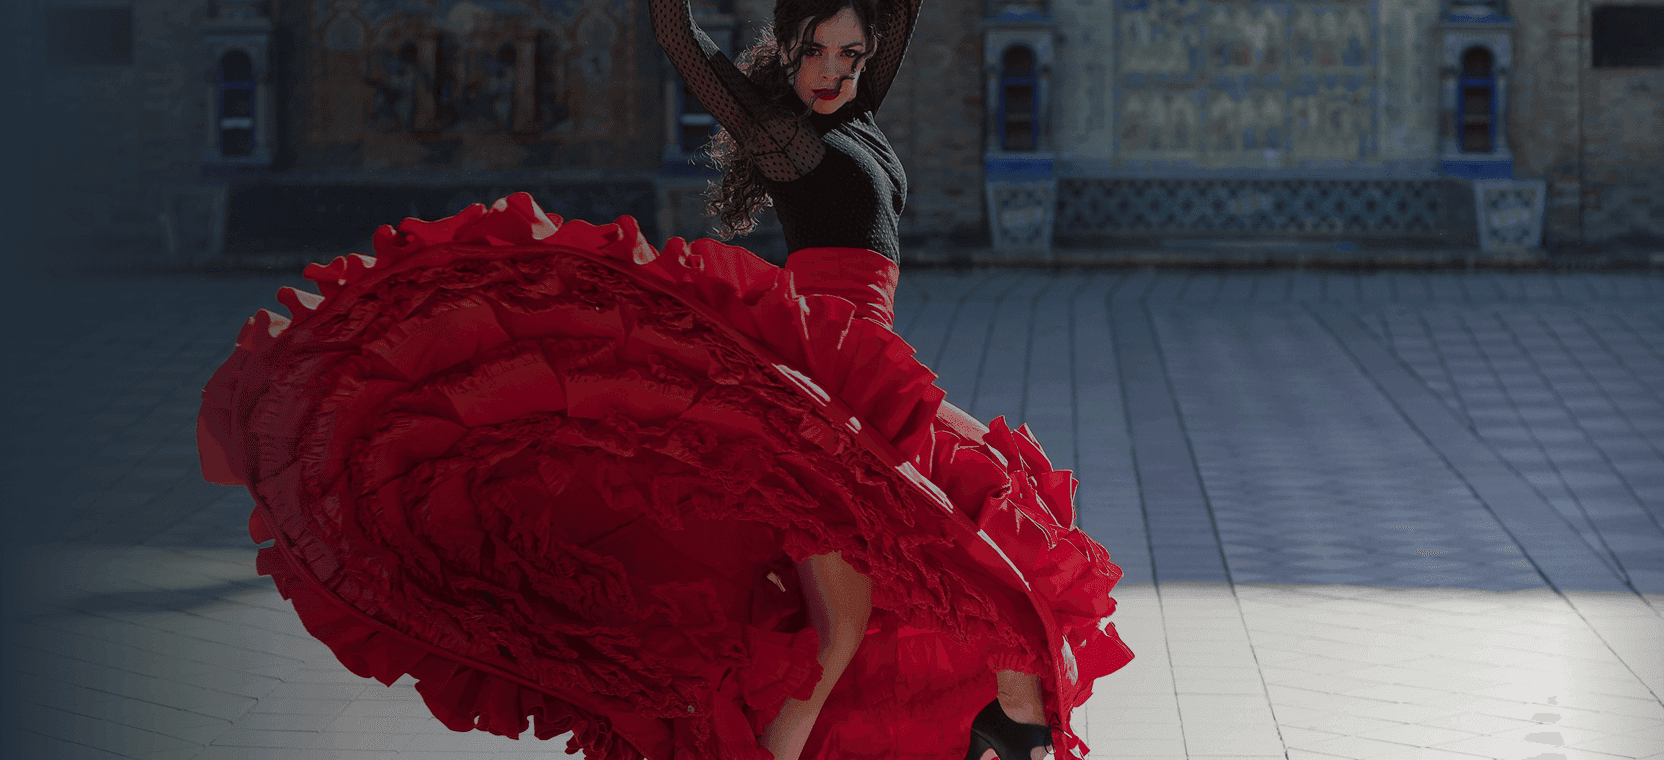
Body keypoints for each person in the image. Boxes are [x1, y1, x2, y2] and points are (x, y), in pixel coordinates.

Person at [196, 1, 1130, 758]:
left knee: (1000, 496)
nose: (834, 71)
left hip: (870, 377)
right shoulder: (785, 137)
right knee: (850, 629)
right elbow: (678, 37)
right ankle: (1006, 723)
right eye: (815, 50)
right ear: (787, 45)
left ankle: (1008, 720)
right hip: (820, 398)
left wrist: (865, 41)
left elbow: (895, 18)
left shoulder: (858, 115)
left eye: (851, 54)